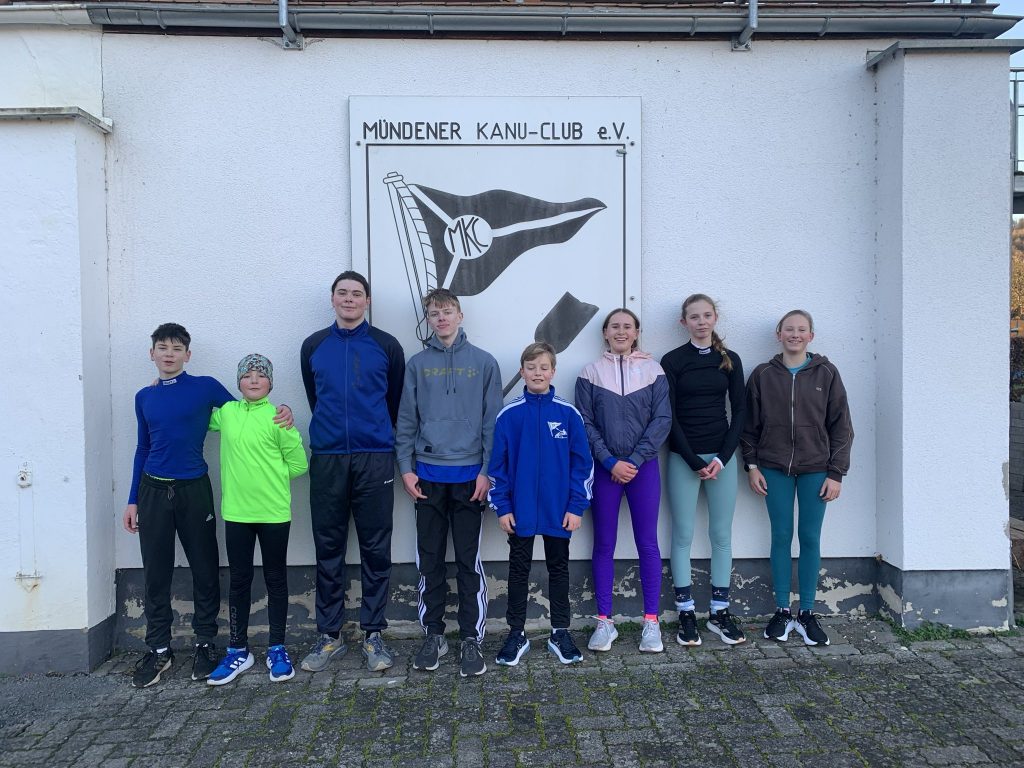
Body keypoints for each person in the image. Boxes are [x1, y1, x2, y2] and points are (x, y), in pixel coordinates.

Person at [123, 324, 292, 688]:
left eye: (177, 348)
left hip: (194, 488)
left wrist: (285, 411)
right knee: (156, 572)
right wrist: (132, 498)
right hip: (153, 490)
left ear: (188, 354)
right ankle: (159, 649)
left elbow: (246, 408)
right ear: (152, 354)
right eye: (162, 348)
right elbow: (143, 447)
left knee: (205, 569)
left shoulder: (206, 387)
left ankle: (205, 644)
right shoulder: (144, 396)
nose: (169, 354)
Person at [300, 271, 405, 672]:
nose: (349, 299)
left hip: (374, 457)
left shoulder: (386, 346)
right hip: (328, 458)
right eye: (342, 293)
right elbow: (315, 397)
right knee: (328, 546)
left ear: (367, 301)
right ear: (332, 299)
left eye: (356, 293)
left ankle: (373, 634)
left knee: (375, 547)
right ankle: (330, 635)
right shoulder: (313, 345)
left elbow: (393, 401)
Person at [396, 288, 503, 677]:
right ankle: (434, 634)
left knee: (467, 563)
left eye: (447, 311)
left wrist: (487, 471)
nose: (441, 318)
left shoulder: (484, 362)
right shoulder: (417, 364)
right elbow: (406, 418)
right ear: (428, 319)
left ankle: (471, 638)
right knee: (430, 560)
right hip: (427, 476)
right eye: (434, 313)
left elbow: (492, 421)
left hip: (470, 478)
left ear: (460, 315)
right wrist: (405, 468)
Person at [740, 309, 853, 647]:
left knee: (810, 537)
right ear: (779, 334)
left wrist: (836, 473)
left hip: (816, 468)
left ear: (810, 336)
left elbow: (842, 426)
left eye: (801, 330)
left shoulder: (827, 373)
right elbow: (748, 426)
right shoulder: (762, 375)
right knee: (780, 535)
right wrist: (752, 466)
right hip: (773, 467)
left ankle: (806, 612)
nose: (795, 334)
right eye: (789, 329)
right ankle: (781, 611)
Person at [489, 342, 594, 666]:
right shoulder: (509, 415)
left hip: (558, 511)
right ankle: (516, 634)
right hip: (519, 511)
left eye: (543, 368)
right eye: (531, 368)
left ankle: (560, 632)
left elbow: (583, 464)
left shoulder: (568, 414)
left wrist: (575, 506)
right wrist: (503, 507)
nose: (537, 373)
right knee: (518, 570)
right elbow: (497, 467)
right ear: (522, 372)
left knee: (558, 569)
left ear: (553, 372)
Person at [206, 354, 308, 685]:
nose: (253, 380)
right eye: (247, 375)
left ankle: (277, 648)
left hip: (273, 514)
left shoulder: (279, 418)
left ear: (270, 383)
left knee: (276, 579)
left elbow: (299, 465)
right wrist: (162, 388)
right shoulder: (226, 414)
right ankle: (238, 650)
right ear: (238, 382)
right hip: (237, 513)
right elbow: (192, 413)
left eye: (261, 375)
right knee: (239, 580)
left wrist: (270, 479)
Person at [575, 309, 671, 653]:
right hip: (605, 470)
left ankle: (651, 622)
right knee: (603, 543)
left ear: (636, 332)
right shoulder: (589, 372)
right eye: (614, 326)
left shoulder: (653, 370)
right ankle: (604, 622)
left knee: (648, 543)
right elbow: (584, 422)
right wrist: (609, 461)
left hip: (642, 469)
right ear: (605, 332)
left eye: (627, 326)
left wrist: (634, 460)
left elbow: (662, 419)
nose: (620, 331)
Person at [660, 294, 747, 647]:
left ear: (715, 318)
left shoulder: (730, 360)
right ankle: (685, 612)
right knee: (682, 534)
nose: (701, 322)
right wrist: (693, 460)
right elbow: (668, 416)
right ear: (684, 322)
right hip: (684, 458)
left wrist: (722, 458)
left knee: (721, 535)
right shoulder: (672, 360)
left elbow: (740, 412)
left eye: (706, 315)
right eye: (694, 317)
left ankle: (719, 612)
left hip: (722, 459)